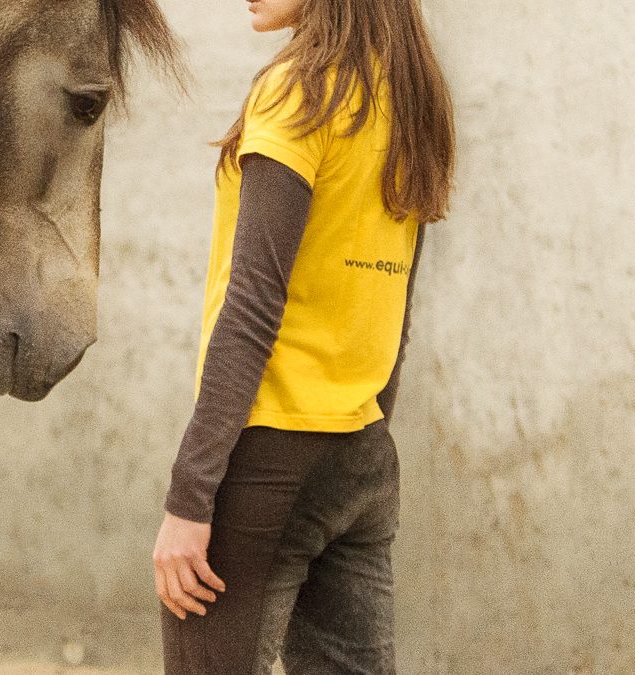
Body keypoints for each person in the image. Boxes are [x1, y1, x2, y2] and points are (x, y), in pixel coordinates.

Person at [152, 0, 455, 672]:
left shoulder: (298, 92)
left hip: (268, 459)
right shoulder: (410, 93)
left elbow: (252, 307)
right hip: (361, 454)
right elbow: (396, 303)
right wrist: (365, 430)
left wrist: (189, 494)